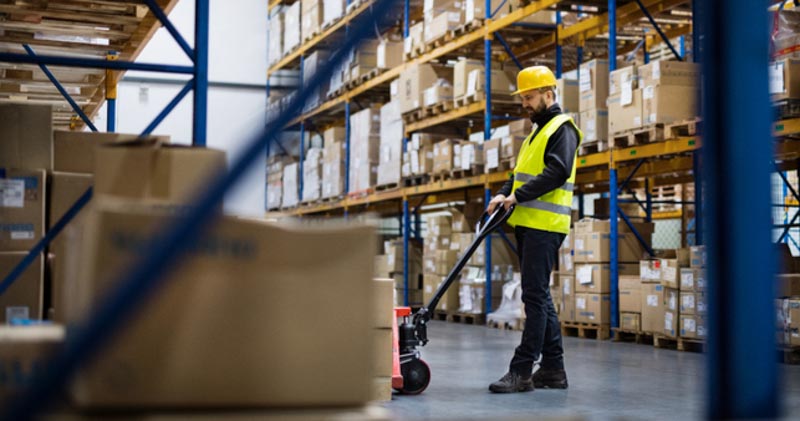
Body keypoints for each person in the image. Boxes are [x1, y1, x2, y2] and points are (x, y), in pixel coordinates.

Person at [486, 65, 582, 393]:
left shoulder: (562, 128)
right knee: (540, 295)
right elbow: (519, 174)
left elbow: (557, 171)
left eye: (530, 97)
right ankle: (554, 369)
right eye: (523, 97)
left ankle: (522, 370)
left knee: (534, 297)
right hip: (527, 224)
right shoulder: (534, 134)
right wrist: (503, 192)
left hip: (545, 225)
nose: (525, 103)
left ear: (548, 94)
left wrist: (518, 195)